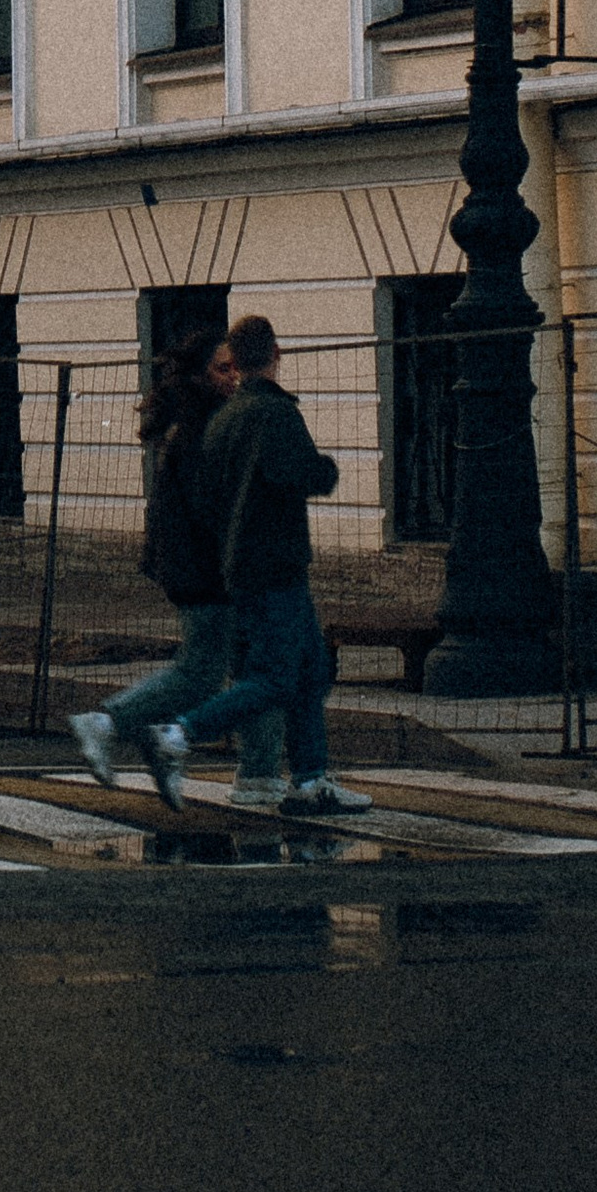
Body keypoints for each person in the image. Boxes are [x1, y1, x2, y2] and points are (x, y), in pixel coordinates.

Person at [153, 315, 367, 822]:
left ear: (238, 358)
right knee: (273, 678)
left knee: (310, 670)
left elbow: (212, 495)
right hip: (275, 563)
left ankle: (312, 780)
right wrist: (328, 468)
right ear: (276, 352)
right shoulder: (274, 413)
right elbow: (297, 473)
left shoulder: (226, 417)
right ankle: (177, 734)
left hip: (243, 564)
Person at [68, 338, 289, 812]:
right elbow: (218, 510)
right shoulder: (209, 426)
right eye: (222, 369)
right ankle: (111, 724)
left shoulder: (196, 424)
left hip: (202, 571)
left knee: (237, 671)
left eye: (235, 368)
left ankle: (258, 773)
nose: (233, 377)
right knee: (230, 673)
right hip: (216, 574)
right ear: (200, 375)